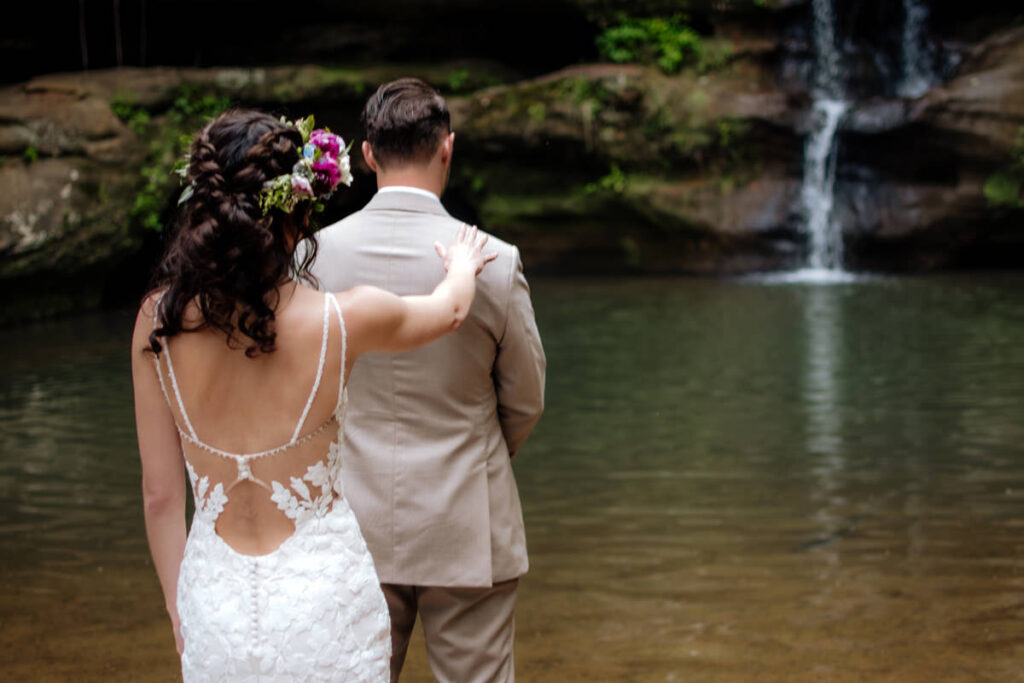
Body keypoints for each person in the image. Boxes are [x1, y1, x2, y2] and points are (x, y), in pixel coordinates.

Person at [131, 109, 496, 681]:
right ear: (299, 215)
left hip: (215, 604)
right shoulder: (343, 318)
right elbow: (449, 311)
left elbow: (159, 496)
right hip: (323, 607)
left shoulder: (157, 319)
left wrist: (183, 611)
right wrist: (463, 265)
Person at [312, 78, 546, 682]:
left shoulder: (311, 259)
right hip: (467, 516)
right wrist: (485, 452)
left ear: (366, 155)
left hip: (351, 523)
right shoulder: (494, 261)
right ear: (447, 148)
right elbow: (525, 399)